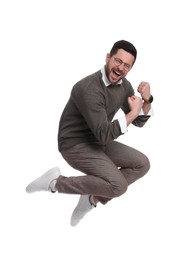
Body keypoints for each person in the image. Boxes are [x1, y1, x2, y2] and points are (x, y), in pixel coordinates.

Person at [26, 40, 153, 227]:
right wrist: (133, 112)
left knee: (142, 164)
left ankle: (91, 198)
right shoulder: (88, 88)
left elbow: (139, 122)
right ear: (108, 57)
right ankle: (55, 182)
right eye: (118, 61)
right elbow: (106, 132)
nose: (121, 68)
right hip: (74, 144)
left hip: (98, 139)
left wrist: (147, 100)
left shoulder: (124, 86)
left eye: (127, 65)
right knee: (118, 186)